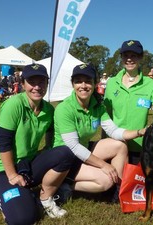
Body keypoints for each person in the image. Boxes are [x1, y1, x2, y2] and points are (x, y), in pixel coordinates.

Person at [0, 64, 74, 224]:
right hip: (3, 170)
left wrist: (47, 151)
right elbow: (4, 143)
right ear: (23, 83)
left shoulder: (48, 109)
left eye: (42, 82)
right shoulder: (14, 105)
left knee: (65, 153)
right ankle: (16, 197)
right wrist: (12, 175)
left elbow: (52, 136)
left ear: (47, 84)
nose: (37, 87)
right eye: (32, 82)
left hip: (28, 165)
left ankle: (44, 198)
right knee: (23, 218)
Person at [53, 63, 147, 202]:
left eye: (88, 81)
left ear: (95, 83)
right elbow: (73, 147)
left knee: (120, 145)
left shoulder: (97, 105)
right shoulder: (64, 108)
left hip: (83, 150)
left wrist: (140, 132)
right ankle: (65, 183)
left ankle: (118, 190)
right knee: (105, 180)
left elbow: (113, 131)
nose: (83, 85)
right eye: (78, 81)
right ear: (72, 84)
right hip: (65, 159)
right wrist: (104, 165)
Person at [104, 40, 153, 164]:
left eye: (133, 55)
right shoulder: (112, 83)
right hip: (115, 145)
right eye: (126, 55)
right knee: (114, 182)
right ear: (121, 57)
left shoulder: (151, 84)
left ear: (140, 57)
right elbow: (106, 117)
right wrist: (104, 142)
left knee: (135, 183)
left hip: (140, 147)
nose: (129, 59)